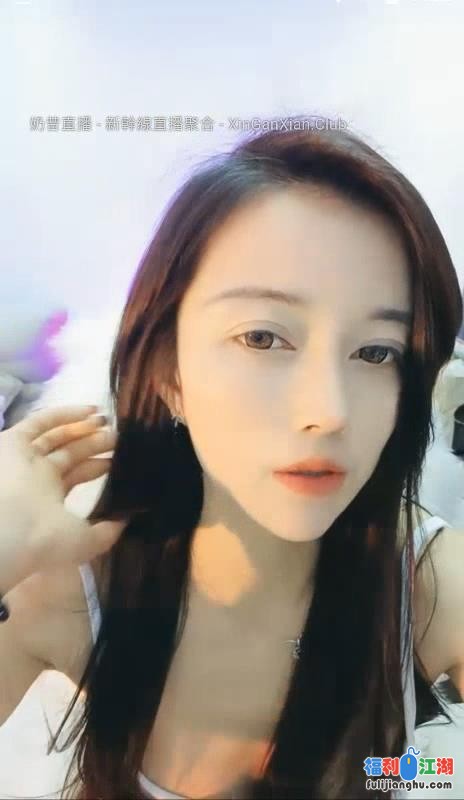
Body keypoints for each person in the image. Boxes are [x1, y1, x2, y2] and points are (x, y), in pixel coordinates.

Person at [0, 118, 463, 800]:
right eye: (263, 338)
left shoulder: (427, 584)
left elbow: (425, 773)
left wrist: (401, 775)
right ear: (168, 371)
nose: (329, 411)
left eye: (375, 352)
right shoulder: (68, 593)